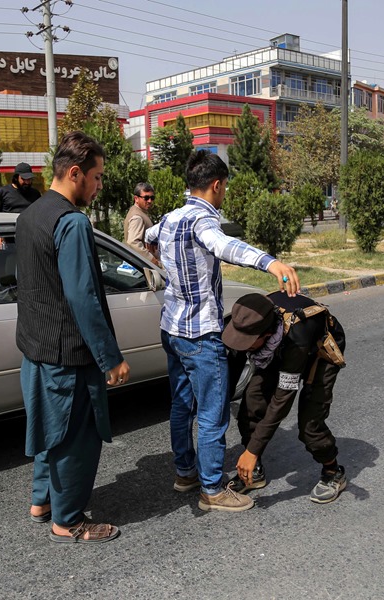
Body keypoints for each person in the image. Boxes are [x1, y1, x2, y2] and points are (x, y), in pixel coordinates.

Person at [144, 150, 299, 513]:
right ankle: (212, 488)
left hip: (172, 328)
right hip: (200, 335)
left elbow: (148, 237)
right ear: (217, 185)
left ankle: (185, 472)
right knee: (213, 412)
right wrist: (269, 262)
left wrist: (164, 263)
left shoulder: (169, 218)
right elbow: (223, 245)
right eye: (224, 187)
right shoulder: (202, 221)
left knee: (182, 405)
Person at [15, 131, 130, 544]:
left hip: (35, 348)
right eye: (97, 178)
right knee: (74, 439)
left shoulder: (30, 215)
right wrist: (110, 357)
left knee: (49, 431)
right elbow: (83, 298)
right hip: (68, 354)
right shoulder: (72, 222)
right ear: (76, 173)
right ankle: (69, 521)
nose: (99, 187)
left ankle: (41, 500)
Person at [222, 292, 348, 504]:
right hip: (277, 349)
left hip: (319, 353)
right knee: (251, 407)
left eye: (249, 342)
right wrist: (221, 404)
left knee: (310, 425)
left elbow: (282, 399)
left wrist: (251, 451)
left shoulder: (296, 339)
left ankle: (333, 471)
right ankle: (255, 472)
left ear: (268, 333)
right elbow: (234, 365)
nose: (244, 345)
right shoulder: (247, 321)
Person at [123, 182, 157, 262]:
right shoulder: (137, 217)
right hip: (143, 266)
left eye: (152, 198)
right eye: (146, 198)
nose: (149, 201)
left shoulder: (139, 211)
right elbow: (133, 242)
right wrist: (152, 260)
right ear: (136, 198)